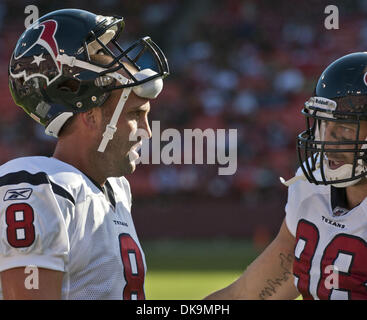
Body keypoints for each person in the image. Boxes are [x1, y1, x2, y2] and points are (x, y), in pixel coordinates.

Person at [0, 8, 169, 299]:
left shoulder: (115, 190)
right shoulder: (40, 189)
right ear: (90, 115)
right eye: (135, 114)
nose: (146, 132)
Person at [205, 52, 367, 300]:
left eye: (345, 127)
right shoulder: (313, 183)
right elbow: (247, 295)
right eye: (325, 126)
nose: (329, 144)